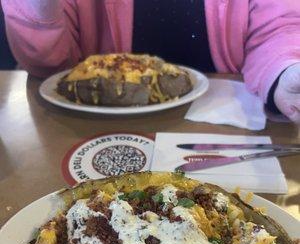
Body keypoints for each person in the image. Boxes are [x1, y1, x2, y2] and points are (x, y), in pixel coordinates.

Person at [1, 0, 300, 122]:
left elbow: (279, 27)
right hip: (89, 128)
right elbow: (50, 67)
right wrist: (39, 10)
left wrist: (285, 71)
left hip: (222, 124)